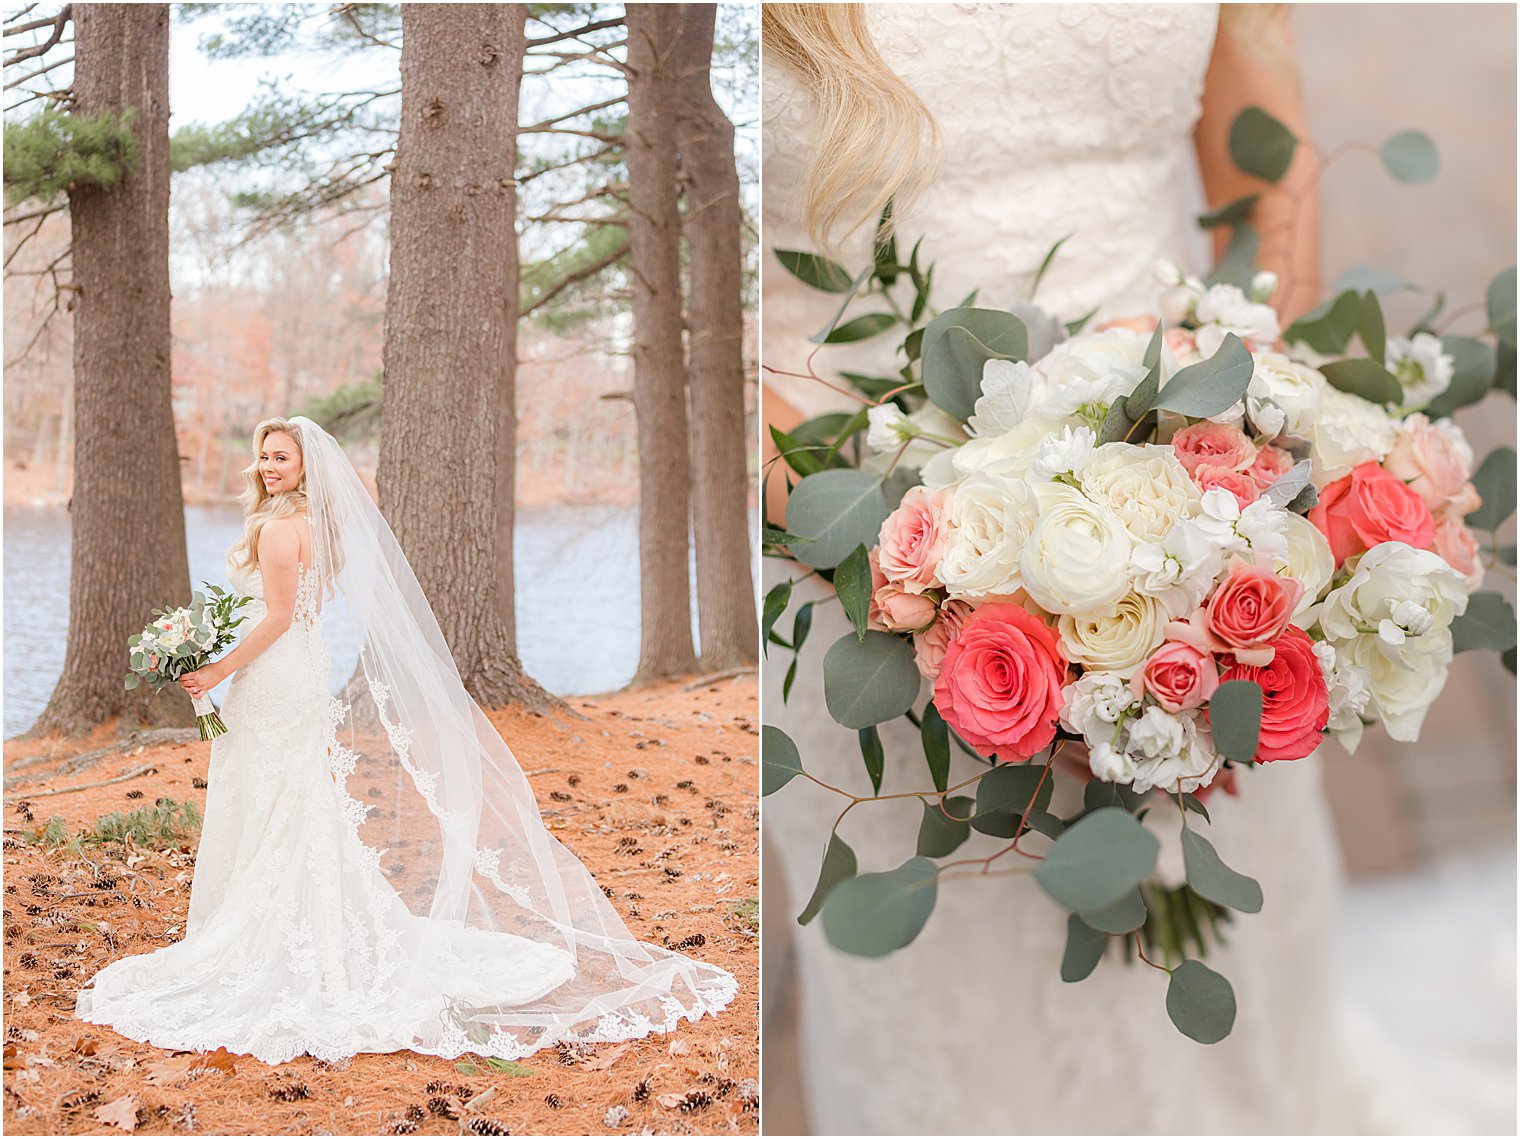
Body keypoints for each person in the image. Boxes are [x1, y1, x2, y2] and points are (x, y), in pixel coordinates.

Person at [761, 4, 1392, 1133]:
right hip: (860, 564)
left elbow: (1264, 179)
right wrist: (920, 587)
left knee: (1231, 967)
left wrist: (1240, 462)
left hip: (1202, 536)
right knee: (960, 1027)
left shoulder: (1215, 537)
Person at [76, 416, 736, 1065]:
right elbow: (288, 612)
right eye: (265, 456)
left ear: (306, 465)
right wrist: (209, 640)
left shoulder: (280, 528)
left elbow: (278, 615)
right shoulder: (314, 527)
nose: (270, 465)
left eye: (282, 456)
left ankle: (271, 932)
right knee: (287, 792)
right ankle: (289, 920)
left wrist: (218, 665)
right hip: (295, 670)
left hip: (275, 677)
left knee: (279, 791)